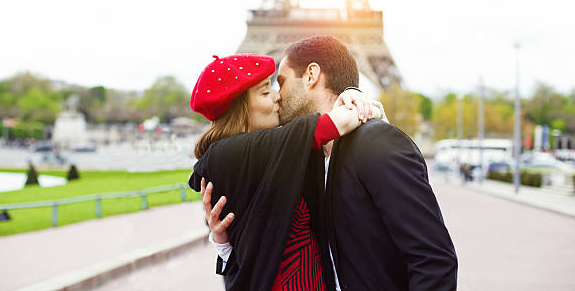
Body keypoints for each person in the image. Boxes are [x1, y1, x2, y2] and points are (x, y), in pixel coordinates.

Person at [205, 36, 458, 291]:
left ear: (311, 75)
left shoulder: (378, 143)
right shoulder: (302, 162)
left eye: (281, 82)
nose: (278, 96)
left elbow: (433, 259)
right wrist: (223, 242)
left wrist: (361, 102)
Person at [188, 53, 381, 291]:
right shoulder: (238, 151)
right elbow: (341, 121)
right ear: (241, 105)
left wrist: (221, 242)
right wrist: (354, 96)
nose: (278, 96)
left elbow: (242, 249)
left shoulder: (234, 158)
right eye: (265, 92)